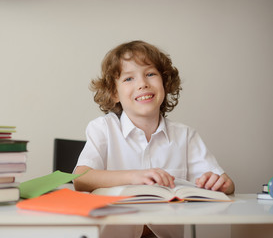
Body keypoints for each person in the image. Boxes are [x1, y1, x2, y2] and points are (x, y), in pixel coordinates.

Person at [73, 40, 235, 238]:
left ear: (165, 84)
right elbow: (80, 178)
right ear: (114, 93)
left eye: (150, 74)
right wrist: (135, 176)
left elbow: (225, 184)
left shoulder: (185, 135)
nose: (142, 83)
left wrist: (221, 183)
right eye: (128, 78)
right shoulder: (103, 128)